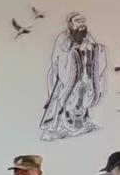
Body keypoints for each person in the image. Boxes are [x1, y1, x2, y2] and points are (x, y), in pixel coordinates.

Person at [39, 12, 106, 141]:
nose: (81, 24)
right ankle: (57, 126)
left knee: (81, 99)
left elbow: (94, 48)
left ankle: (81, 124)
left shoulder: (86, 36)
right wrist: (72, 51)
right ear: (70, 24)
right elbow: (58, 57)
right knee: (62, 100)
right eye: (77, 21)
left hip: (83, 74)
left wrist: (93, 48)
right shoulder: (63, 37)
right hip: (65, 75)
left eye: (82, 21)